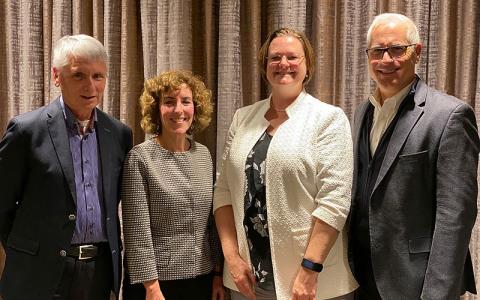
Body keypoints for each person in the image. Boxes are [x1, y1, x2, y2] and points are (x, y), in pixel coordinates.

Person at [213, 28, 358, 300]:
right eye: (274, 57)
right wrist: (231, 258)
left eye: (293, 57)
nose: (283, 64)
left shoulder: (328, 119)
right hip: (246, 279)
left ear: (308, 66)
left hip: (309, 283)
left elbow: (334, 201)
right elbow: (223, 191)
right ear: (265, 64)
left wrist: (309, 269)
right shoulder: (243, 117)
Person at [348, 13, 479, 299]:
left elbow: (455, 215)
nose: (386, 60)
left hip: (416, 282)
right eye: (378, 51)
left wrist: (436, 293)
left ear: (416, 53)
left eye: (397, 49)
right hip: (361, 277)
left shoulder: (449, 116)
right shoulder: (362, 112)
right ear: (368, 56)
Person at [0, 34, 132, 300]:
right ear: (57, 76)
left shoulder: (119, 134)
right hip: (38, 273)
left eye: (98, 76)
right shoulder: (26, 131)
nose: (90, 86)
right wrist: (28, 249)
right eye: (79, 75)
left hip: (99, 272)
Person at [121, 70, 224, 300]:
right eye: (169, 102)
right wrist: (151, 287)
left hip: (202, 278)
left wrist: (218, 272)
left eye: (186, 102)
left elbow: (211, 221)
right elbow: (137, 230)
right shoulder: (140, 159)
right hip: (157, 284)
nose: (178, 110)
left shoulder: (203, 155)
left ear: (195, 108)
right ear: (157, 110)